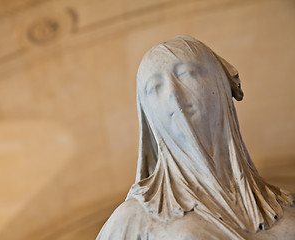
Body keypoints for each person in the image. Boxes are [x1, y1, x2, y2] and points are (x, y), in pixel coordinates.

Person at [96, 35, 295, 240]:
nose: (173, 92)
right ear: (149, 116)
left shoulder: (288, 208)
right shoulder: (133, 220)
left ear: (220, 82)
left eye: (186, 74)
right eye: (155, 88)